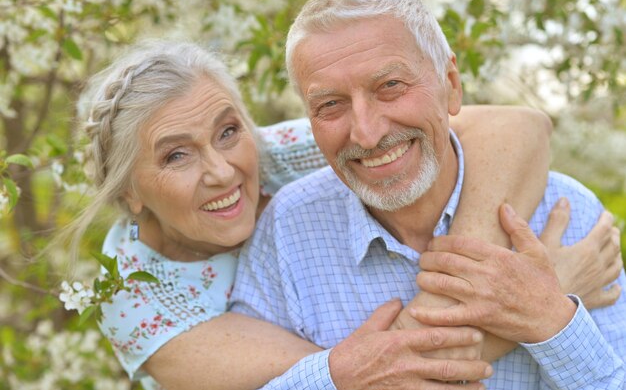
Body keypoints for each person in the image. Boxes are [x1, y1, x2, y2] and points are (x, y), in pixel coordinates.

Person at [71, 41, 619, 390]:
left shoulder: (275, 151)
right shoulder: (135, 299)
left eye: (227, 131)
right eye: (175, 155)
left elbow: (517, 125)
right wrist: (546, 295)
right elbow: (388, 373)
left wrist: (487, 268)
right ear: (131, 192)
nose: (222, 170)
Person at [231, 0, 626, 389]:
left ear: (451, 85)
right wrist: (339, 376)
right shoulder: (288, 228)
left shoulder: (564, 210)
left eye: (390, 87)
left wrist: (549, 319)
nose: (366, 134)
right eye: (330, 105)